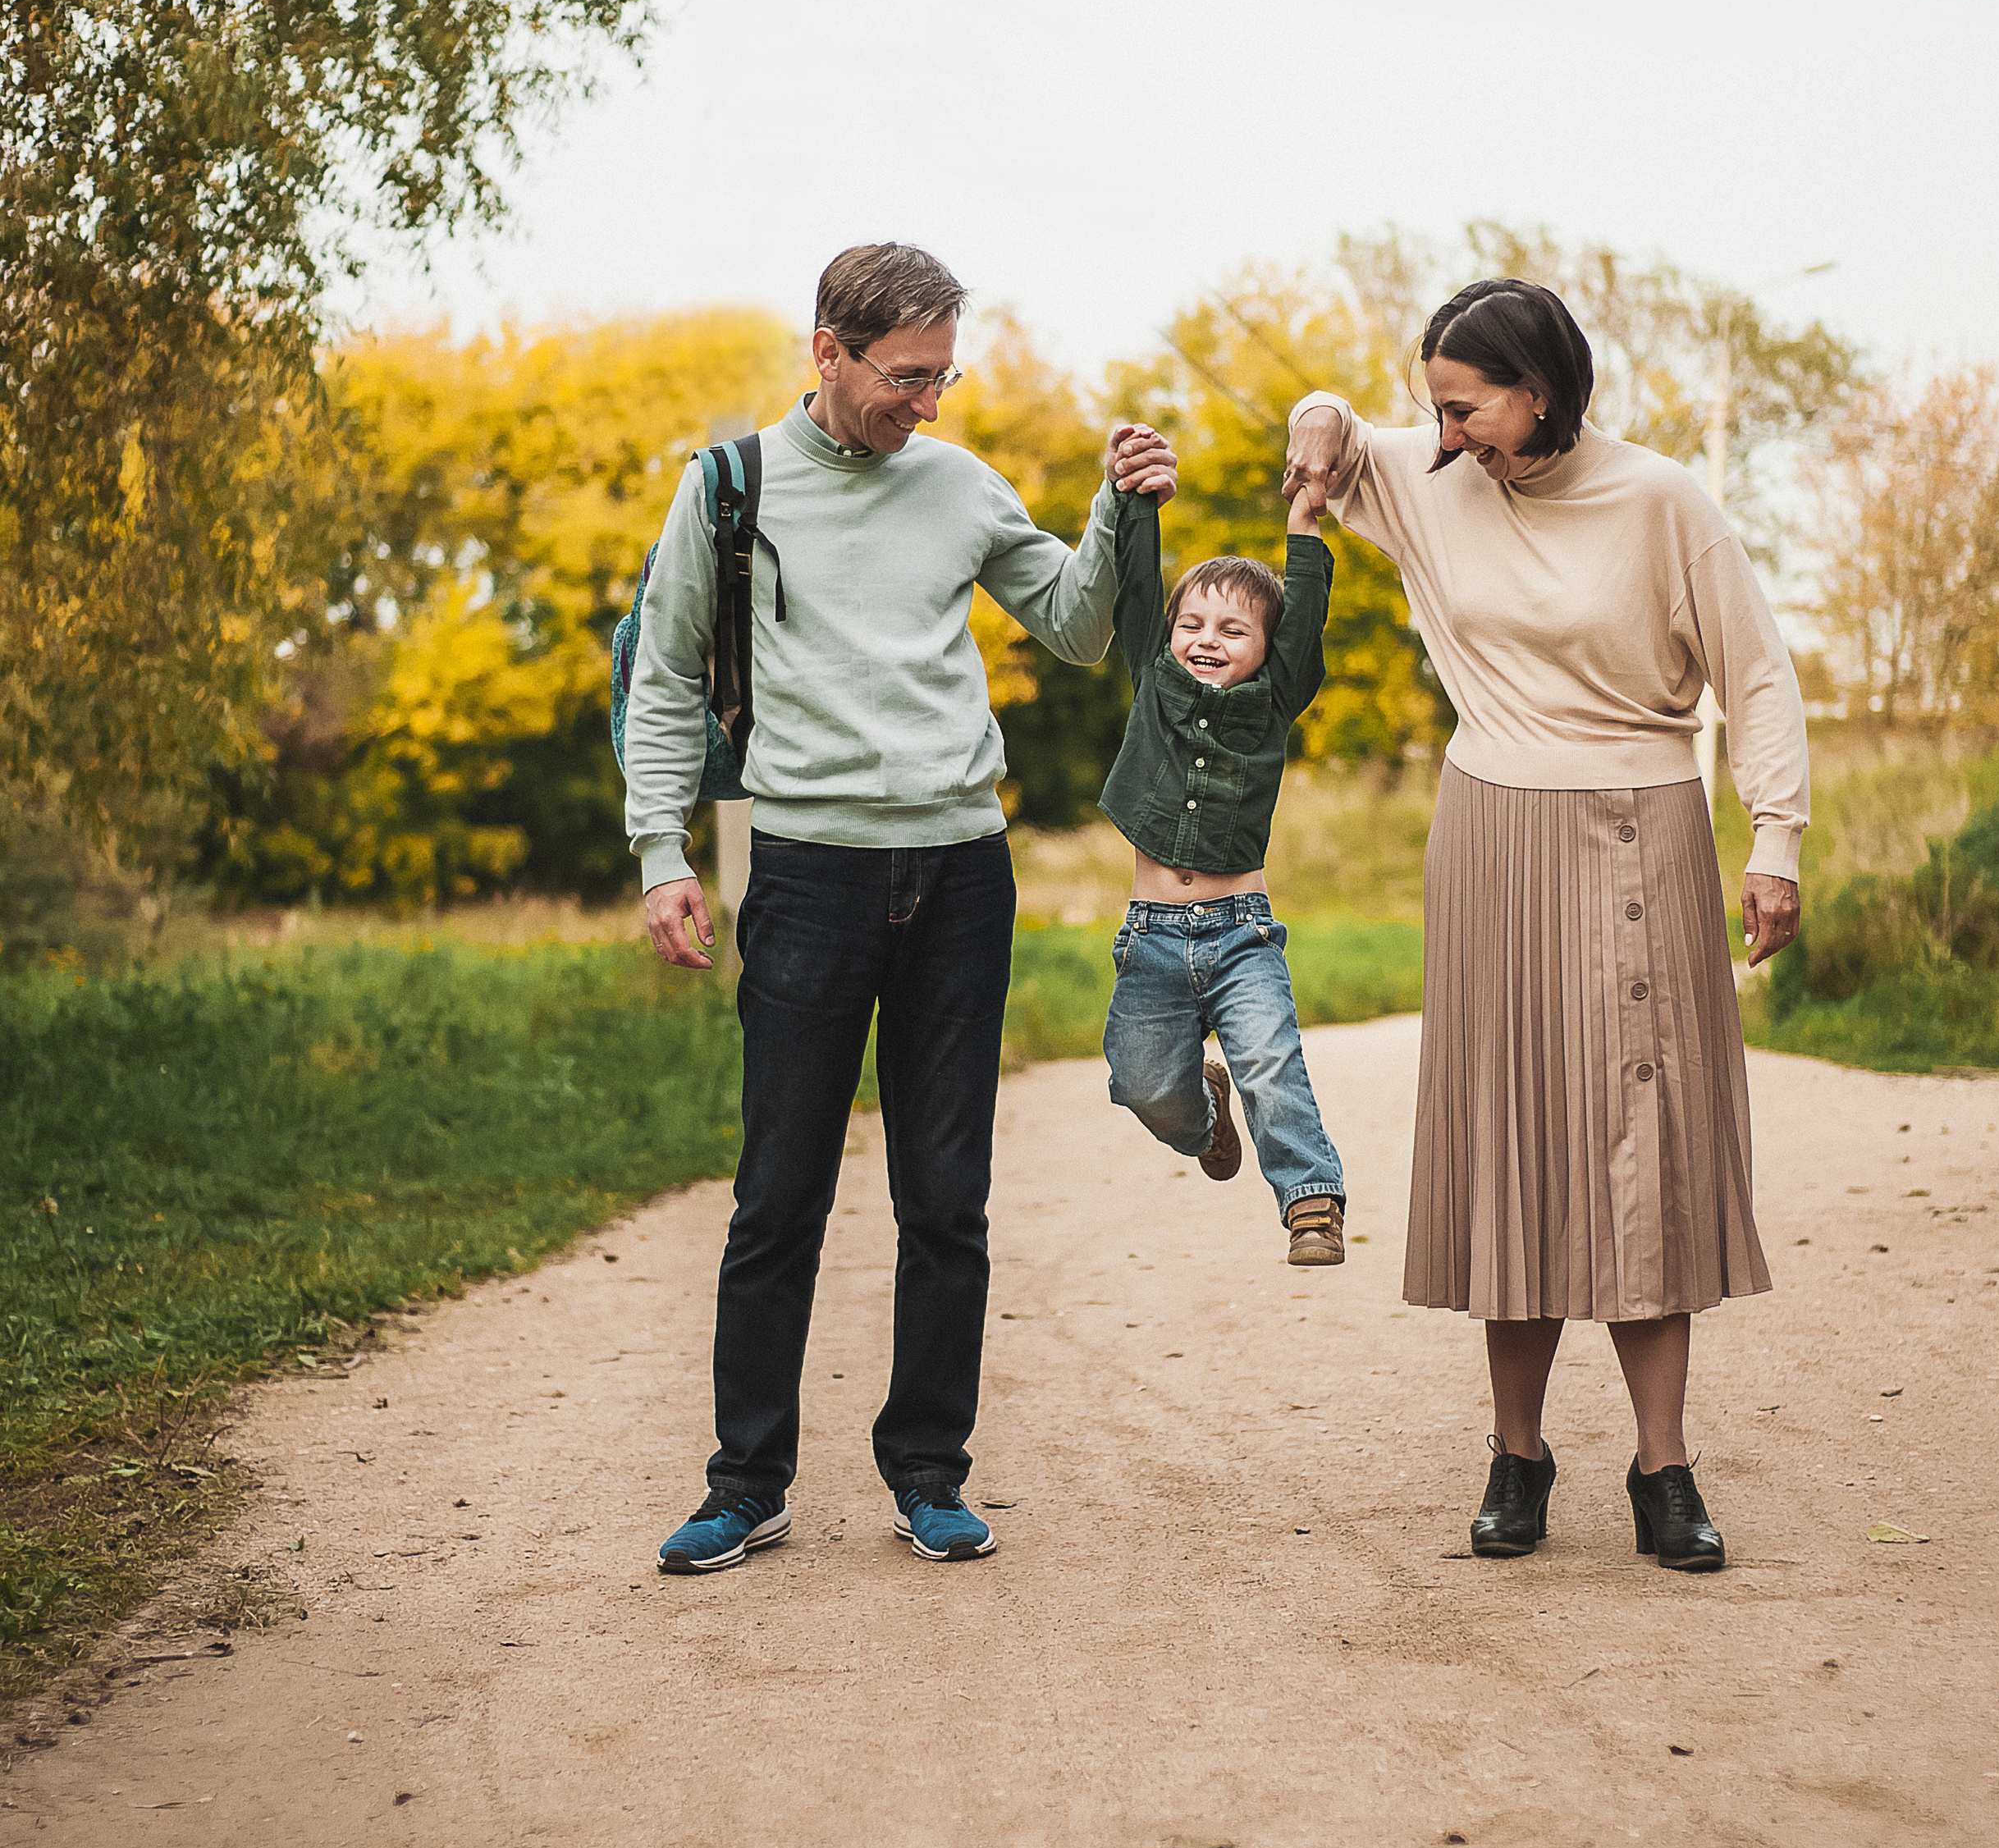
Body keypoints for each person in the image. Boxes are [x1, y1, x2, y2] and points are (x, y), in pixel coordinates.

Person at [624, 242, 1176, 1574]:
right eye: (906, 376)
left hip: (960, 869)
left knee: (947, 1195)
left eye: (944, 375)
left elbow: (1080, 626)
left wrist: (1117, 509)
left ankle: (930, 1471)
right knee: (780, 1194)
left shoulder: (960, 483)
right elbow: (664, 681)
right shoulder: (728, 491)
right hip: (805, 868)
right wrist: (663, 850)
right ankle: (747, 1481)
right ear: (829, 349)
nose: (928, 402)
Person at [1283, 280, 1809, 1573]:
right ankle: (1517, 1453)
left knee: (1650, 1139)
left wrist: (1777, 840)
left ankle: (1663, 1463)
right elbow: (1334, 432)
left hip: (1645, 823)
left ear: (1540, 388)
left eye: (1466, 408)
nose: (1447, 434)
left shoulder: (1663, 499)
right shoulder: (1433, 467)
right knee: (1510, 1134)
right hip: (1490, 830)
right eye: (1433, 410)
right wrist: (1318, 414)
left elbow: (1757, 673)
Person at [1096, 466, 1350, 1264]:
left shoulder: (1275, 698)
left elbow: (1305, 623)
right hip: (1151, 938)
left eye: (1233, 630)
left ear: (1268, 651)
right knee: (1141, 1085)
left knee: (1271, 1062)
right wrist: (1137, 503)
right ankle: (1205, 1114)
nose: (1206, 639)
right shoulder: (1154, 685)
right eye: (1192, 625)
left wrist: (1304, 525)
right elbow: (1138, 590)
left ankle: (1310, 1201)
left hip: (1240, 931)